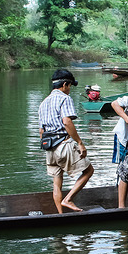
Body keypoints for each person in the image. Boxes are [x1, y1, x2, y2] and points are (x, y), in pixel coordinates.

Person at [38, 69, 94, 213]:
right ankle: (68, 199)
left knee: (57, 183)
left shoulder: (43, 103)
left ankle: (60, 215)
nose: (69, 90)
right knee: (88, 171)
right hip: (63, 143)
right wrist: (80, 143)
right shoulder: (64, 98)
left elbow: (41, 131)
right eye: (69, 86)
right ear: (64, 84)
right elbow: (67, 121)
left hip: (49, 147)